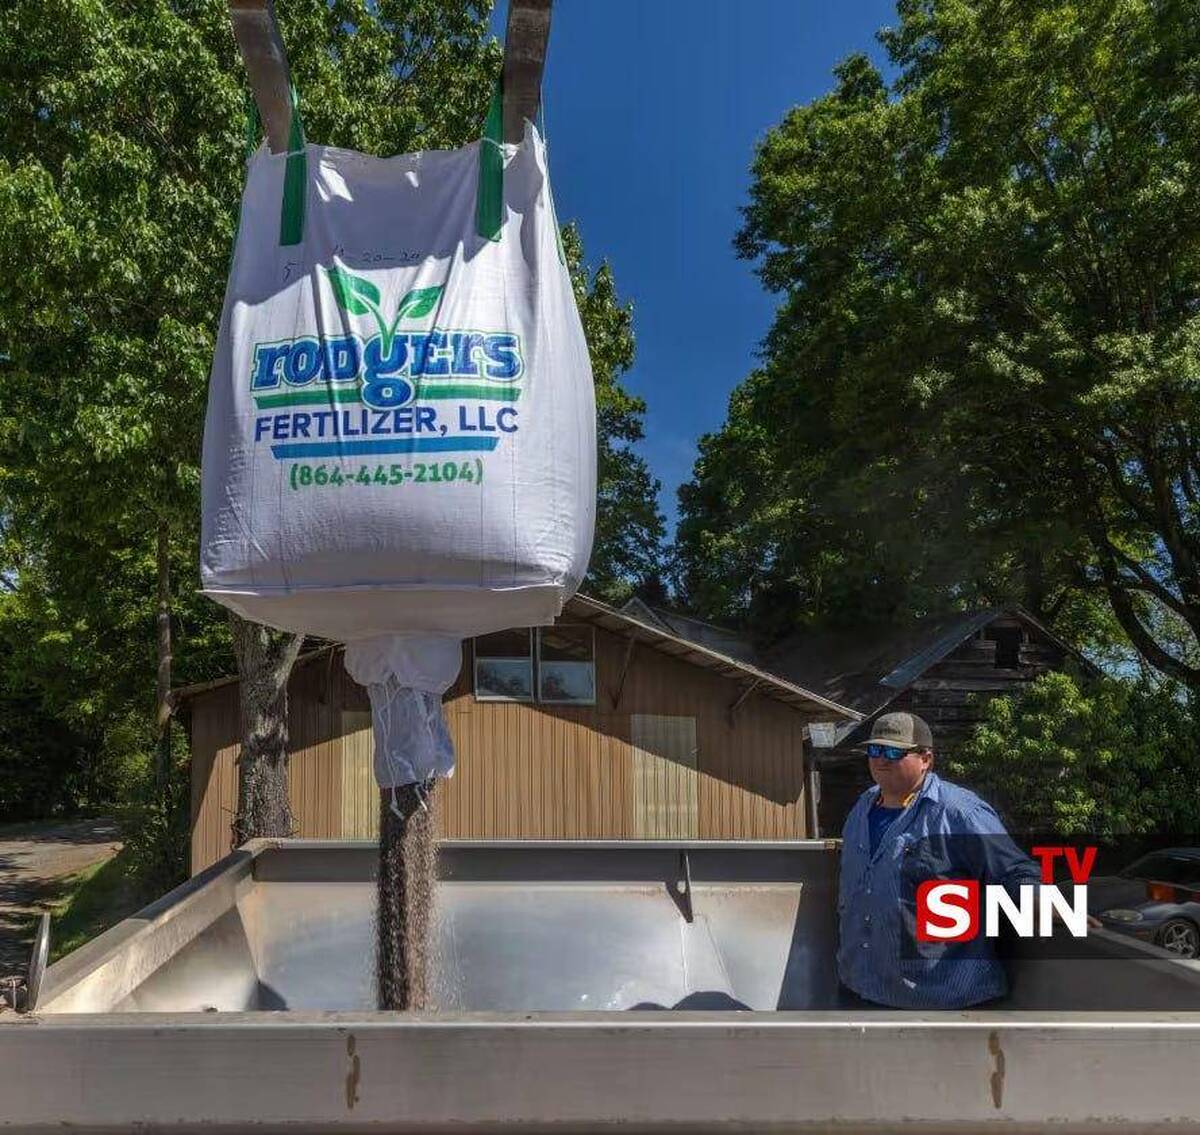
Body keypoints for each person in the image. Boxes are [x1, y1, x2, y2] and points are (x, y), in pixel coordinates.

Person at [836, 711, 1048, 1009]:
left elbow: (1013, 870)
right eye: (875, 750)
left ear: (926, 758)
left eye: (895, 752)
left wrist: (1046, 903)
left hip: (941, 1003)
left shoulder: (959, 812)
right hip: (861, 989)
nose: (882, 759)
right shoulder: (862, 807)